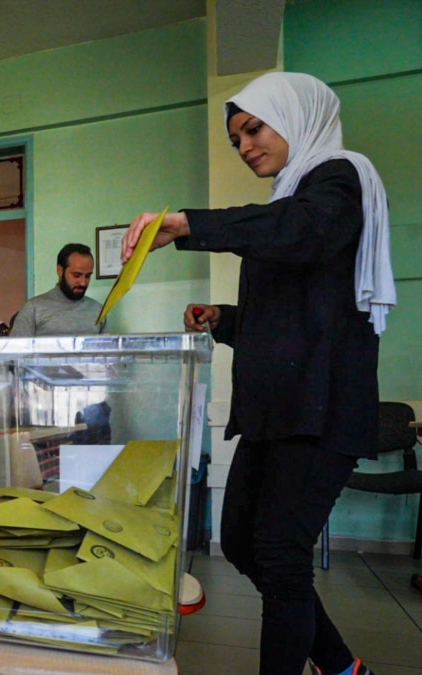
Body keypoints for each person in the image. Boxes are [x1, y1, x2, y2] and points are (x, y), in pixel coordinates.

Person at [121, 72, 393, 675]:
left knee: (280, 554)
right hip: (279, 410)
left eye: (253, 129)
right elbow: (294, 317)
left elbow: (304, 233)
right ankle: (343, 667)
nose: (244, 146)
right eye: (235, 138)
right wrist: (225, 319)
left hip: (321, 408)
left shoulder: (339, 179)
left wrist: (191, 223)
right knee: (243, 543)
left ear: (296, 119)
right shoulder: (291, 205)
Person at [10, 242, 106, 336]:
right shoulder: (33, 309)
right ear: (60, 270)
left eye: (88, 276)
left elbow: (108, 350)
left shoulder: (98, 310)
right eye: (76, 275)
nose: (83, 282)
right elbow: (17, 350)